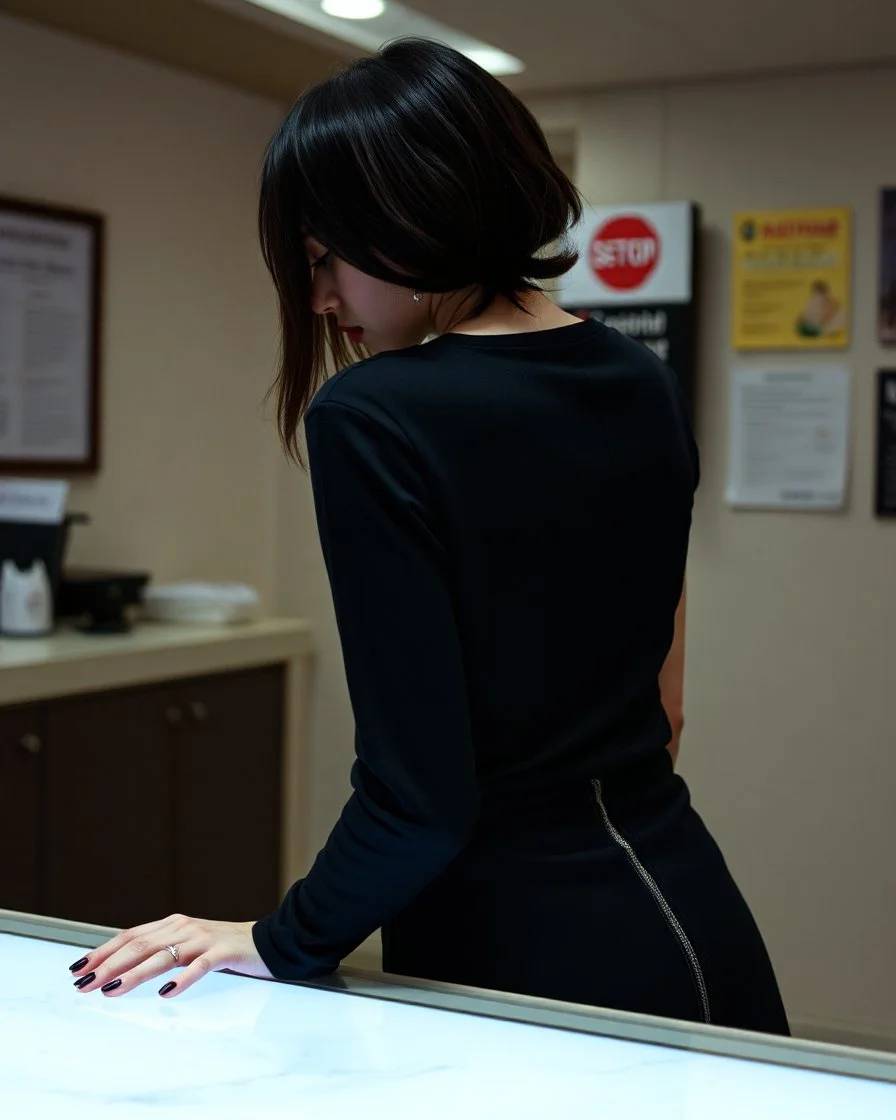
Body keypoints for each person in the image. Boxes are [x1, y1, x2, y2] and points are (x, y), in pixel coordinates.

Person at [69, 38, 789, 1035]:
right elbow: (663, 710)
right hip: (690, 911)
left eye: (325, 258)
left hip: (522, 957)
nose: (320, 299)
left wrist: (279, 936)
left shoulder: (375, 414)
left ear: (412, 212)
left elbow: (420, 798)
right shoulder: (640, 382)